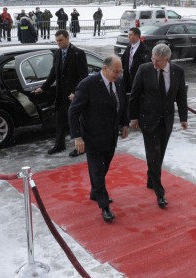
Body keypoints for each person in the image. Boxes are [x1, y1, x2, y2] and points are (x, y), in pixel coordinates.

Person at [68, 55, 129, 222]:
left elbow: (122, 103)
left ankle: (95, 192)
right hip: (92, 136)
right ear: (104, 69)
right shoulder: (88, 84)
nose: (118, 75)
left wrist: (124, 124)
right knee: (97, 169)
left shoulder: (118, 82)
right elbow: (73, 112)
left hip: (111, 135)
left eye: (120, 71)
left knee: (104, 167)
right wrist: (77, 136)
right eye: (115, 71)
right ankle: (104, 206)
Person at [129, 44, 188, 208]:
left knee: (159, 153)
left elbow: (181, 96)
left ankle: (151, 179)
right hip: (148, 119)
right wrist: (133, 117)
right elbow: (134, 95)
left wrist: (183, 117)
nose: (154, 63)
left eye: (158, 61)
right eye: (152, 59)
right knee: (152, 153)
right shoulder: (144, 69)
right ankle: (159, 191)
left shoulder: (178, 71)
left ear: (167, 59)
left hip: (167, 119)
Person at [34, 29, 88, 157]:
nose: (58, 43)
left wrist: (76, 92)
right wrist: (43, 87)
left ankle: (80, 147)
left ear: (67, 38)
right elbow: (54, 72)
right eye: (57, 40)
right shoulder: (57, 53)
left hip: (73, 95)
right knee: (60, 120)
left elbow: (83, 76)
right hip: (60, 94)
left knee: (75, 121)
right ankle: (59, 144)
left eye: (61, 40)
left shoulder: (78, 53)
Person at [121, 27, 147, 94]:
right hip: (127, 77)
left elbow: (145, 64)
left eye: (130, 35)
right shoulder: (129, 46)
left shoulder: (144, 48)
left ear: (137, 36)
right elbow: (124, 59)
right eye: (128, 35)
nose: (128, 36)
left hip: (137, 78)